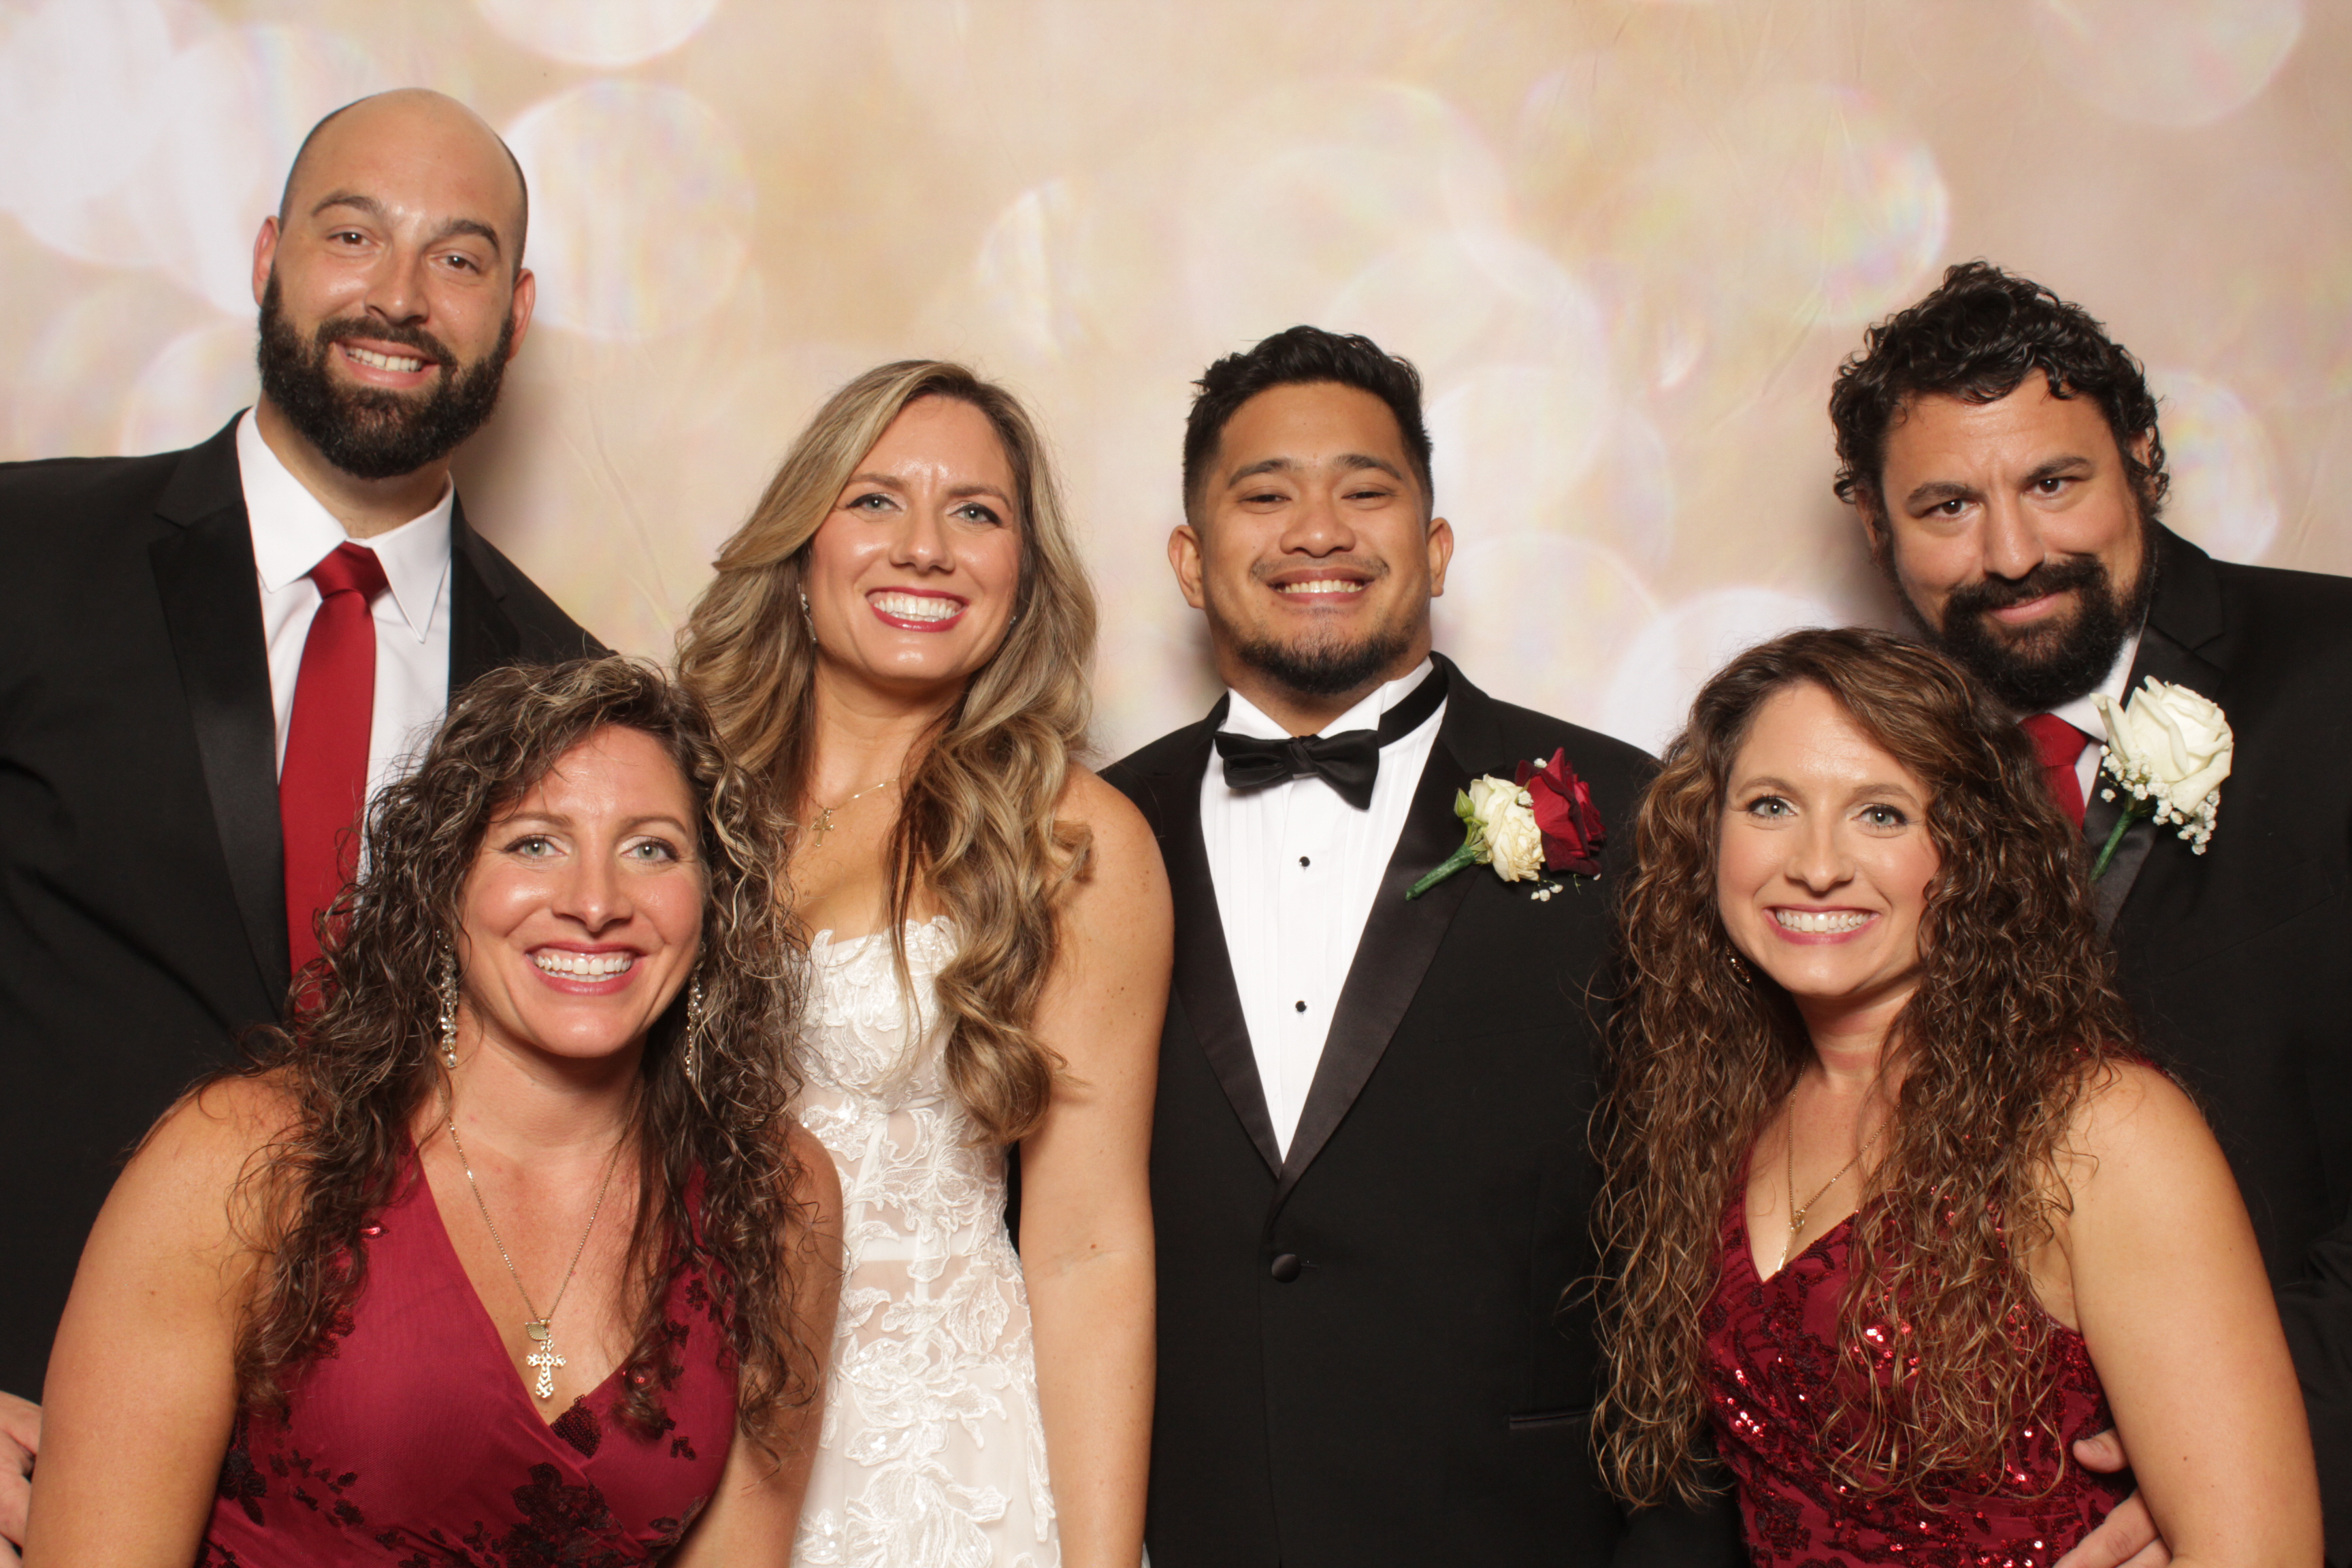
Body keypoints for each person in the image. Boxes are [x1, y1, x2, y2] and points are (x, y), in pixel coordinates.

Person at [0, 86, 601, 1480]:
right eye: (353, 235)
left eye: (458, 258)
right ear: (269, 257)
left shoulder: (569, 697)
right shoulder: (26, 558)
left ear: (512, 317)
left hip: (376, 1479)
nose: (400, 296)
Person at [1100, 325, 1741, 1567]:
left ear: (1435, 548)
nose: (1318, 532)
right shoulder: (1087, 837)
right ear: (1190, 560)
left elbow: (1713, 1214)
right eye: (1266, 496)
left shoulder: (1635, 813)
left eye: (1365, 491)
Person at [23, 657, 840, 1563]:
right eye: (535, 843)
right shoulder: (245, 1157)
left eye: (651, 849)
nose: (596, 903)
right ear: (444, 882)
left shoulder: (773, 1193)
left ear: (714, 899)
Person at [1592, 625, 2319, 1567]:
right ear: (1708, 835)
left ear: (1971, 852)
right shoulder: (1725, 1103)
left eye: (1882, 814)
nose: (1817, 864)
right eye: (1771, 804)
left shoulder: (2097, 1127)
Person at [1831, 260, 2352, 1565]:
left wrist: (2235, 1433)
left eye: (2054, 483)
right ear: (1876, 527)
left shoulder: (2337, 674)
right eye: (1948, 506)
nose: (2012, 554)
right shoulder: (1854, 767)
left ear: (2145, 460)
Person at [676, 361, 1169, 1568]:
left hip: (936, 1477)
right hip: (675, 1429)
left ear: (1022, 577)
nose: (927, 549)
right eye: (877, 500)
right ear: (802, 548)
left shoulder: (1071, 839)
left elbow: (1090, 1248)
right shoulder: (673, 800)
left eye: (976, 513)